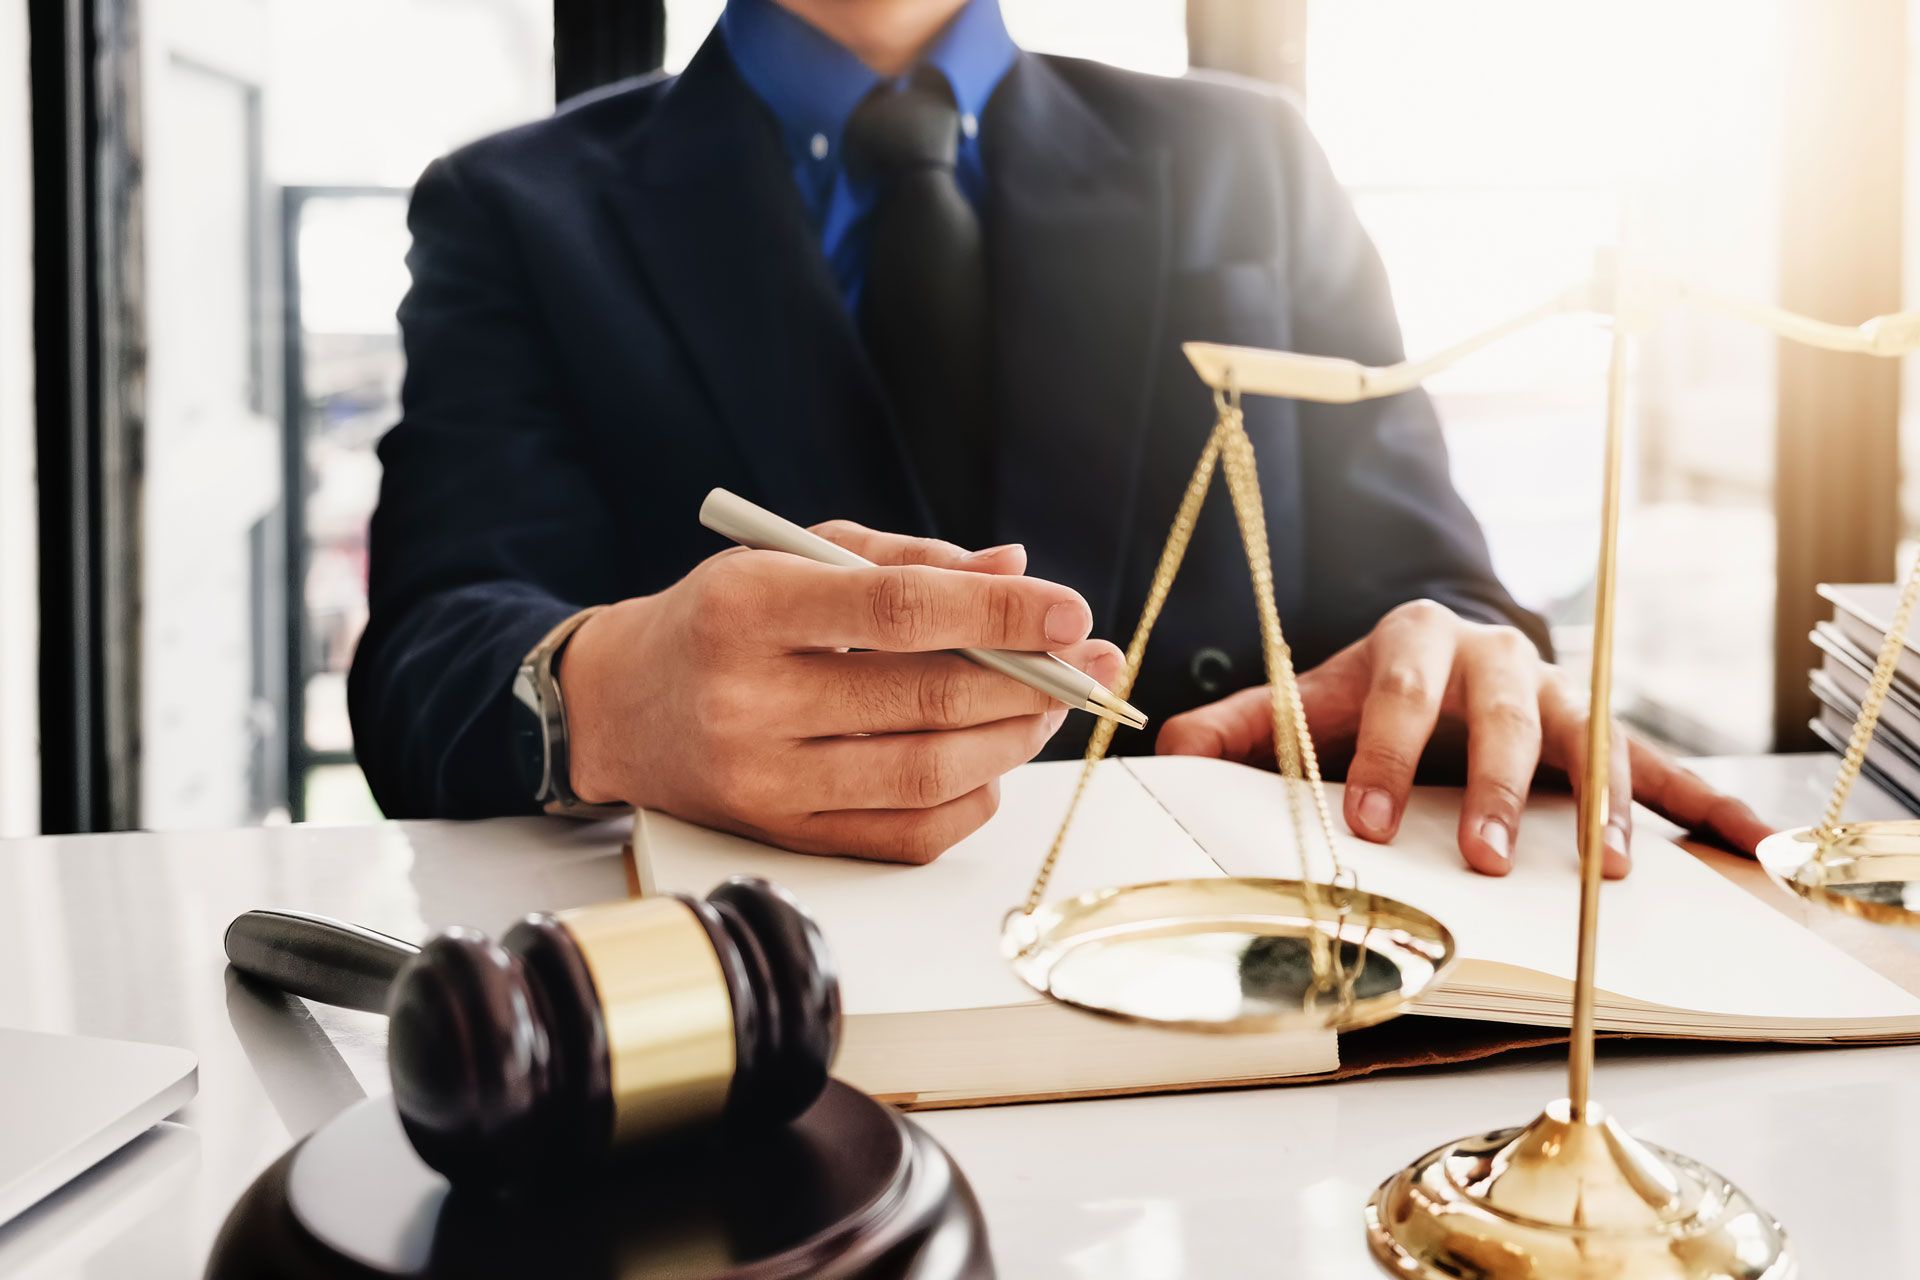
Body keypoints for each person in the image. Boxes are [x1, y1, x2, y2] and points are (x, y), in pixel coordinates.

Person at [348, 0, 1771, 874]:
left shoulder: (1250, 159)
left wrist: (1459, 650)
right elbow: (432, 654)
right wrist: (606, 697)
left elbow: (1429, 577)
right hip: (754, 1017)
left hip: (1233, 993)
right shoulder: (515, 206)